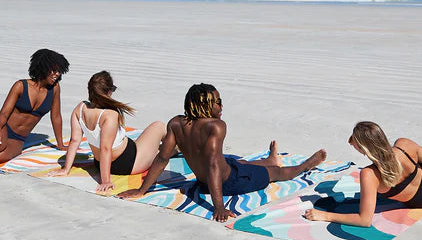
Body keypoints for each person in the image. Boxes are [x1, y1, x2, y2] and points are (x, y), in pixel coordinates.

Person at [118, 83, 327, 222]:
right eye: (217, 102)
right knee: (276, 173)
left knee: (238, 163)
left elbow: (163, 157)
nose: (221, 105)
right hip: (228, 183)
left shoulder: (175, 123)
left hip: (206, 180)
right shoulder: (216, 126)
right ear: (205, 106)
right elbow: (212, 165)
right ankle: (305, 165)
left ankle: (269, 160)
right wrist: (218, 206)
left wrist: (143, 190)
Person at [305, 121, 422, 227]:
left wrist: (325, 215)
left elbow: (364, 220)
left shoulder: (369, 174)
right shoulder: (403, 144)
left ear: (362, 148)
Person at [47, 71, 167, 192]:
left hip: (100, 164)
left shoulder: (80, 108)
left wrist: (66, 169)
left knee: (158, 149)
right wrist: (105, 181)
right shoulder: (109, 115)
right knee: (158, 126)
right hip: (129, 163)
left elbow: (74, 141)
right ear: (108, 92)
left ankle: (171, 150)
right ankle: (174, 146)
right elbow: (105, 149)